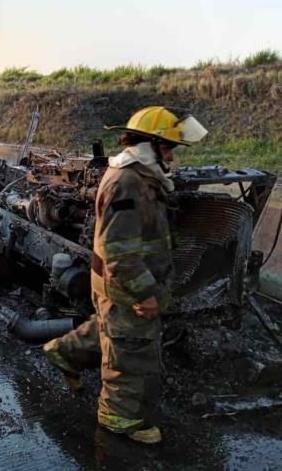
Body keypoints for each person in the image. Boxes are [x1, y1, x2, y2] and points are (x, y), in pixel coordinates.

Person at [43, 106, 208, 445]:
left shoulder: (141, 176)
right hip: (126, 284)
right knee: (131, 351)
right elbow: (120, 249)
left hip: (123, 281)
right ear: (149, 145)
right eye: (167, 148)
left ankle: (65, 353)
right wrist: (143, 292)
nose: (172, 156)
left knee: (111, 330)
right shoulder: (128, 183)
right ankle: (119, 418)